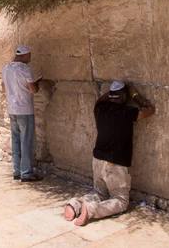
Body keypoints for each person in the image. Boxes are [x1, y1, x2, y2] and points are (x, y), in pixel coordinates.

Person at [64, 81, 155, 226]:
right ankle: (92, 209)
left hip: (97, 160)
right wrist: (135, 94)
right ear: (124, 97)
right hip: (115, 163)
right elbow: (150, 110)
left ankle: (75, 204)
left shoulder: (99, 109)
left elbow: (99, 100)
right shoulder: (126, 112)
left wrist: (111, 94)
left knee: (100, 194)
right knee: (120, 200)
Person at [2, 45, 43, 181]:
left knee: (15, 140)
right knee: (26, 141)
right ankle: (26, 173)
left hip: (12, 109)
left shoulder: (6, 68)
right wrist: (37, 84)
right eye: (29, 57)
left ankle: (16, 170)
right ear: (24, 55)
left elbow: (4, 87)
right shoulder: (25, 69)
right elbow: (33, 90)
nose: (29, 60)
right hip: (24, 109)